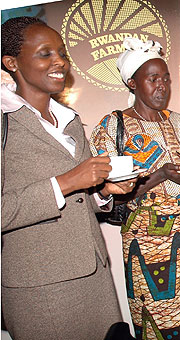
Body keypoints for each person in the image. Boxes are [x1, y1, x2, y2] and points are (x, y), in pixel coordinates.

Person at [89, 37, 180, 340]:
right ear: (132, 83)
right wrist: (160, 175)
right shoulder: (112, 126)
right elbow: (105, 189)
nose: (162, 85)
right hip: (149, 245)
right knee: (165, 319)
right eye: (153, 78)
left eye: (166, 78)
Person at [1, 17, 138, 340]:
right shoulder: (5, 123)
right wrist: (66, 182)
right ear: (11, 63)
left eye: (61, 52)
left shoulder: (70, 120)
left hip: (95, 278)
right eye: (45, 54)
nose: (59, 61)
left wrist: (103, 191)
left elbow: (81, 197)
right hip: (41, 290)